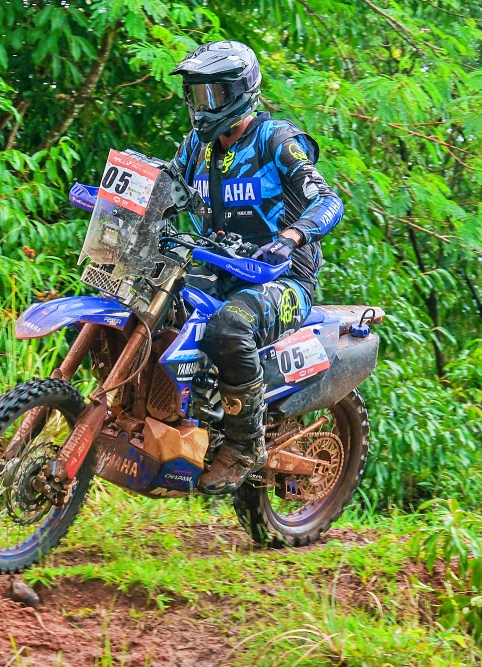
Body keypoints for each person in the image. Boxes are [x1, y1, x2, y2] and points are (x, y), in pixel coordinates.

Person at [169, 41, 344, 493]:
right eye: (196, 95)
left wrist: (290, 237)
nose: (202, 106)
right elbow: (163, 189)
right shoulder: (195, 146)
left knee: (230, 328)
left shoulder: (275, 141)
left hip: (283, 278)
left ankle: (245, 445)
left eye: (214, 95)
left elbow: (328, 200)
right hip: (216, 266)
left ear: (242, 91)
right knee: (146, 304)